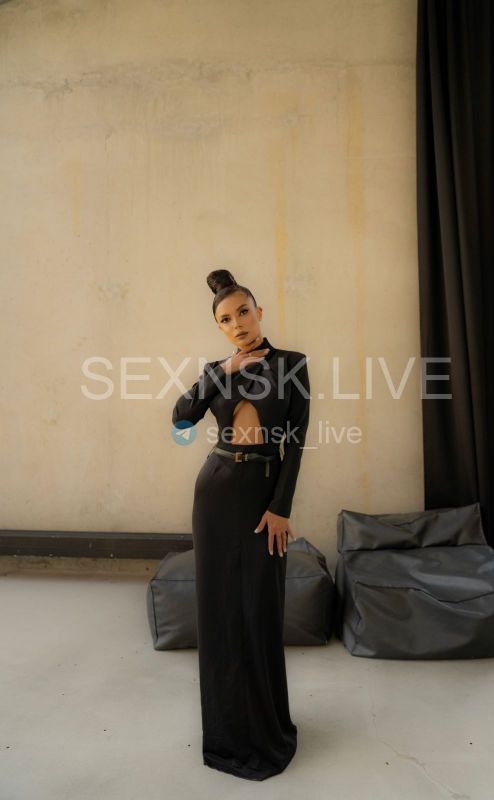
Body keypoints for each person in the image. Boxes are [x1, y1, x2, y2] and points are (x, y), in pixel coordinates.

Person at [171, 268, 311, 781]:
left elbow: (295, 440)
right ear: (220, 328)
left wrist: (281, 507)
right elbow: (181, 418)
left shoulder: (292, 364)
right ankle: (227, 732)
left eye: (243, 312)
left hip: (263, 498)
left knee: (260, 609)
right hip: (215, 493)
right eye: (226, 319)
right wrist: (223, 370)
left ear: (259, 311)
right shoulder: (217, 370)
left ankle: (266, 726)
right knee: (220, 612)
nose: (238, 324)